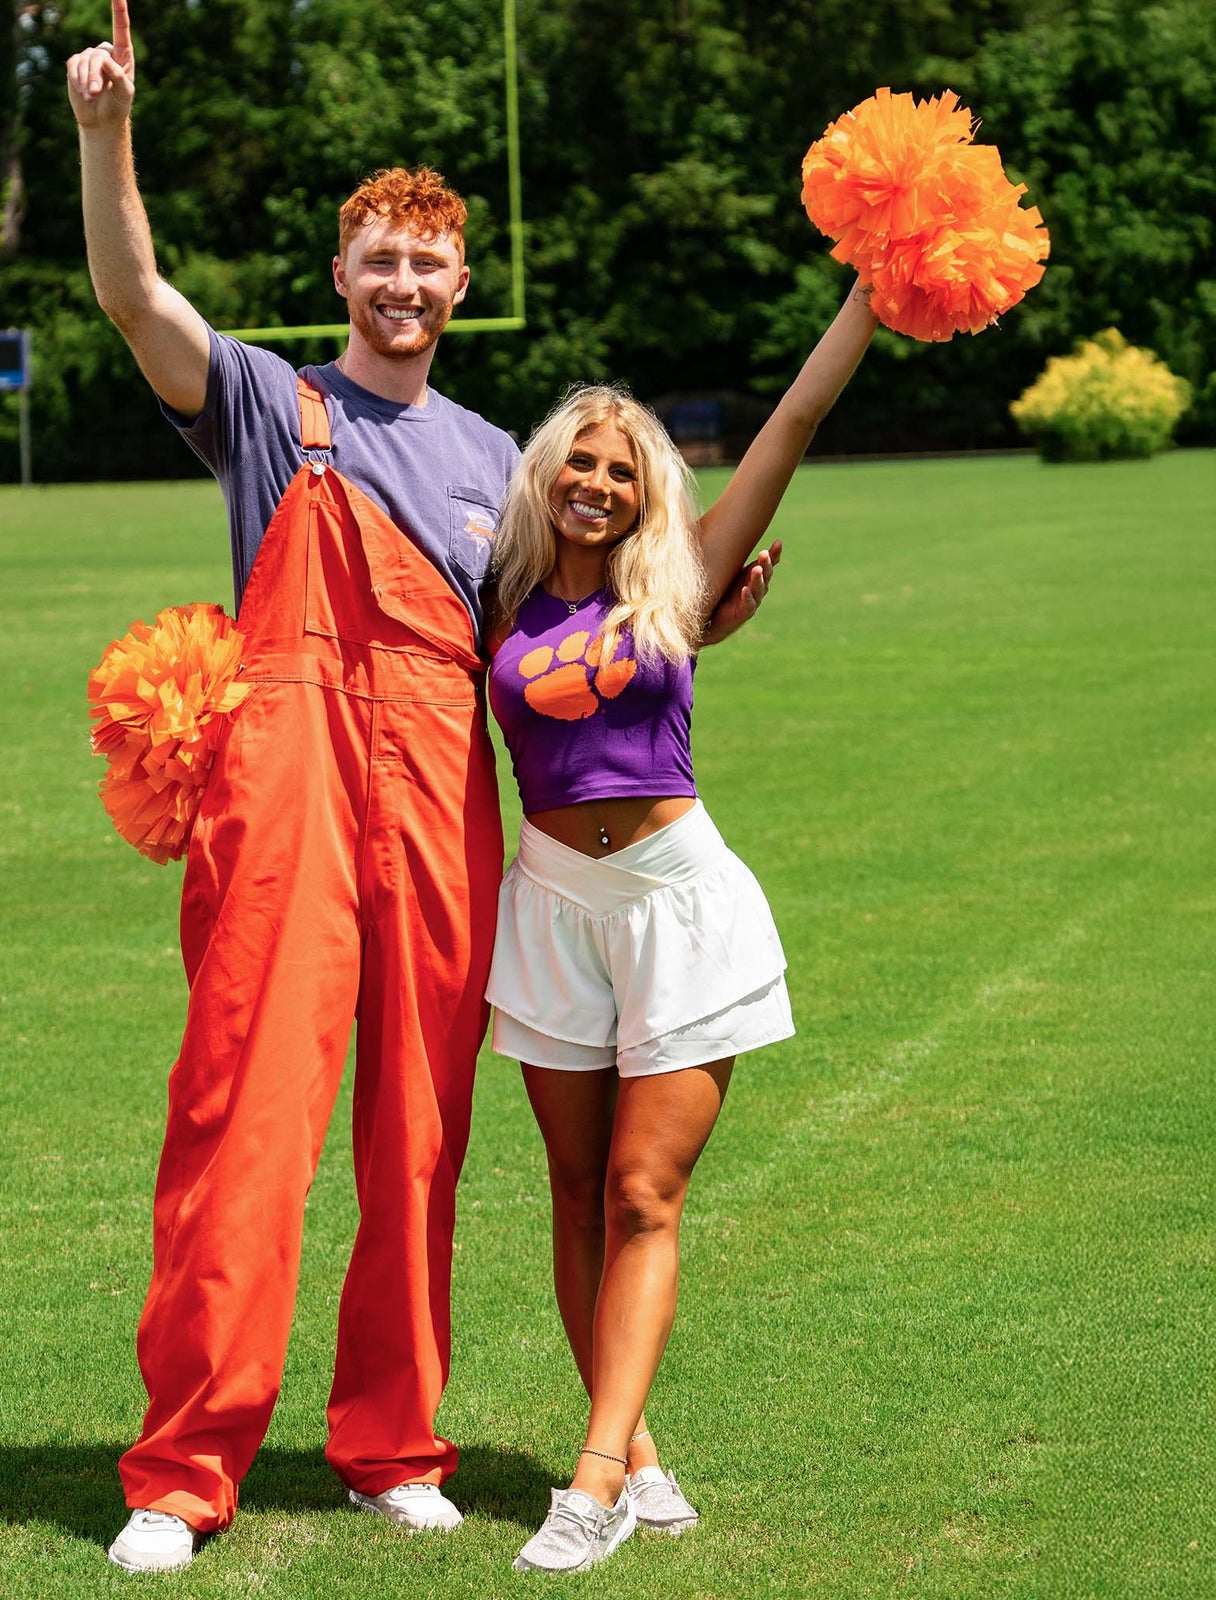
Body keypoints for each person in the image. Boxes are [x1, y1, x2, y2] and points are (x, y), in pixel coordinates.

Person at [66, 1, 776, 1572]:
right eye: (374, 257)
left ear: (463, 285)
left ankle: (393, 1440)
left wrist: (692, 617)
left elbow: (570, 619)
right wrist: (106, 135)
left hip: (442, 807)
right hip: (289, 797)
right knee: (245, 1118)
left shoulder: (495, 468)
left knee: (419, 1133)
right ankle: (182, 1472)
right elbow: (133, 297)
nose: (400, 281)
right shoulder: (267, 402)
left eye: (425, 262)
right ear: (343, 277)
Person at [484, 282, 880, 1573]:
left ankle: (591, 1483)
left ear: (649, 489)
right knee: (573, 1191)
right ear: (545, 479)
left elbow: (796, 418)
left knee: (644, 1193)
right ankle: (635, 1444)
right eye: (576, 465)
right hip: (550, 905)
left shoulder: (685, 580)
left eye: (618, 469)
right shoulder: (495, 599)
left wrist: (871, 294)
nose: (594, 484)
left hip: (674, 903)